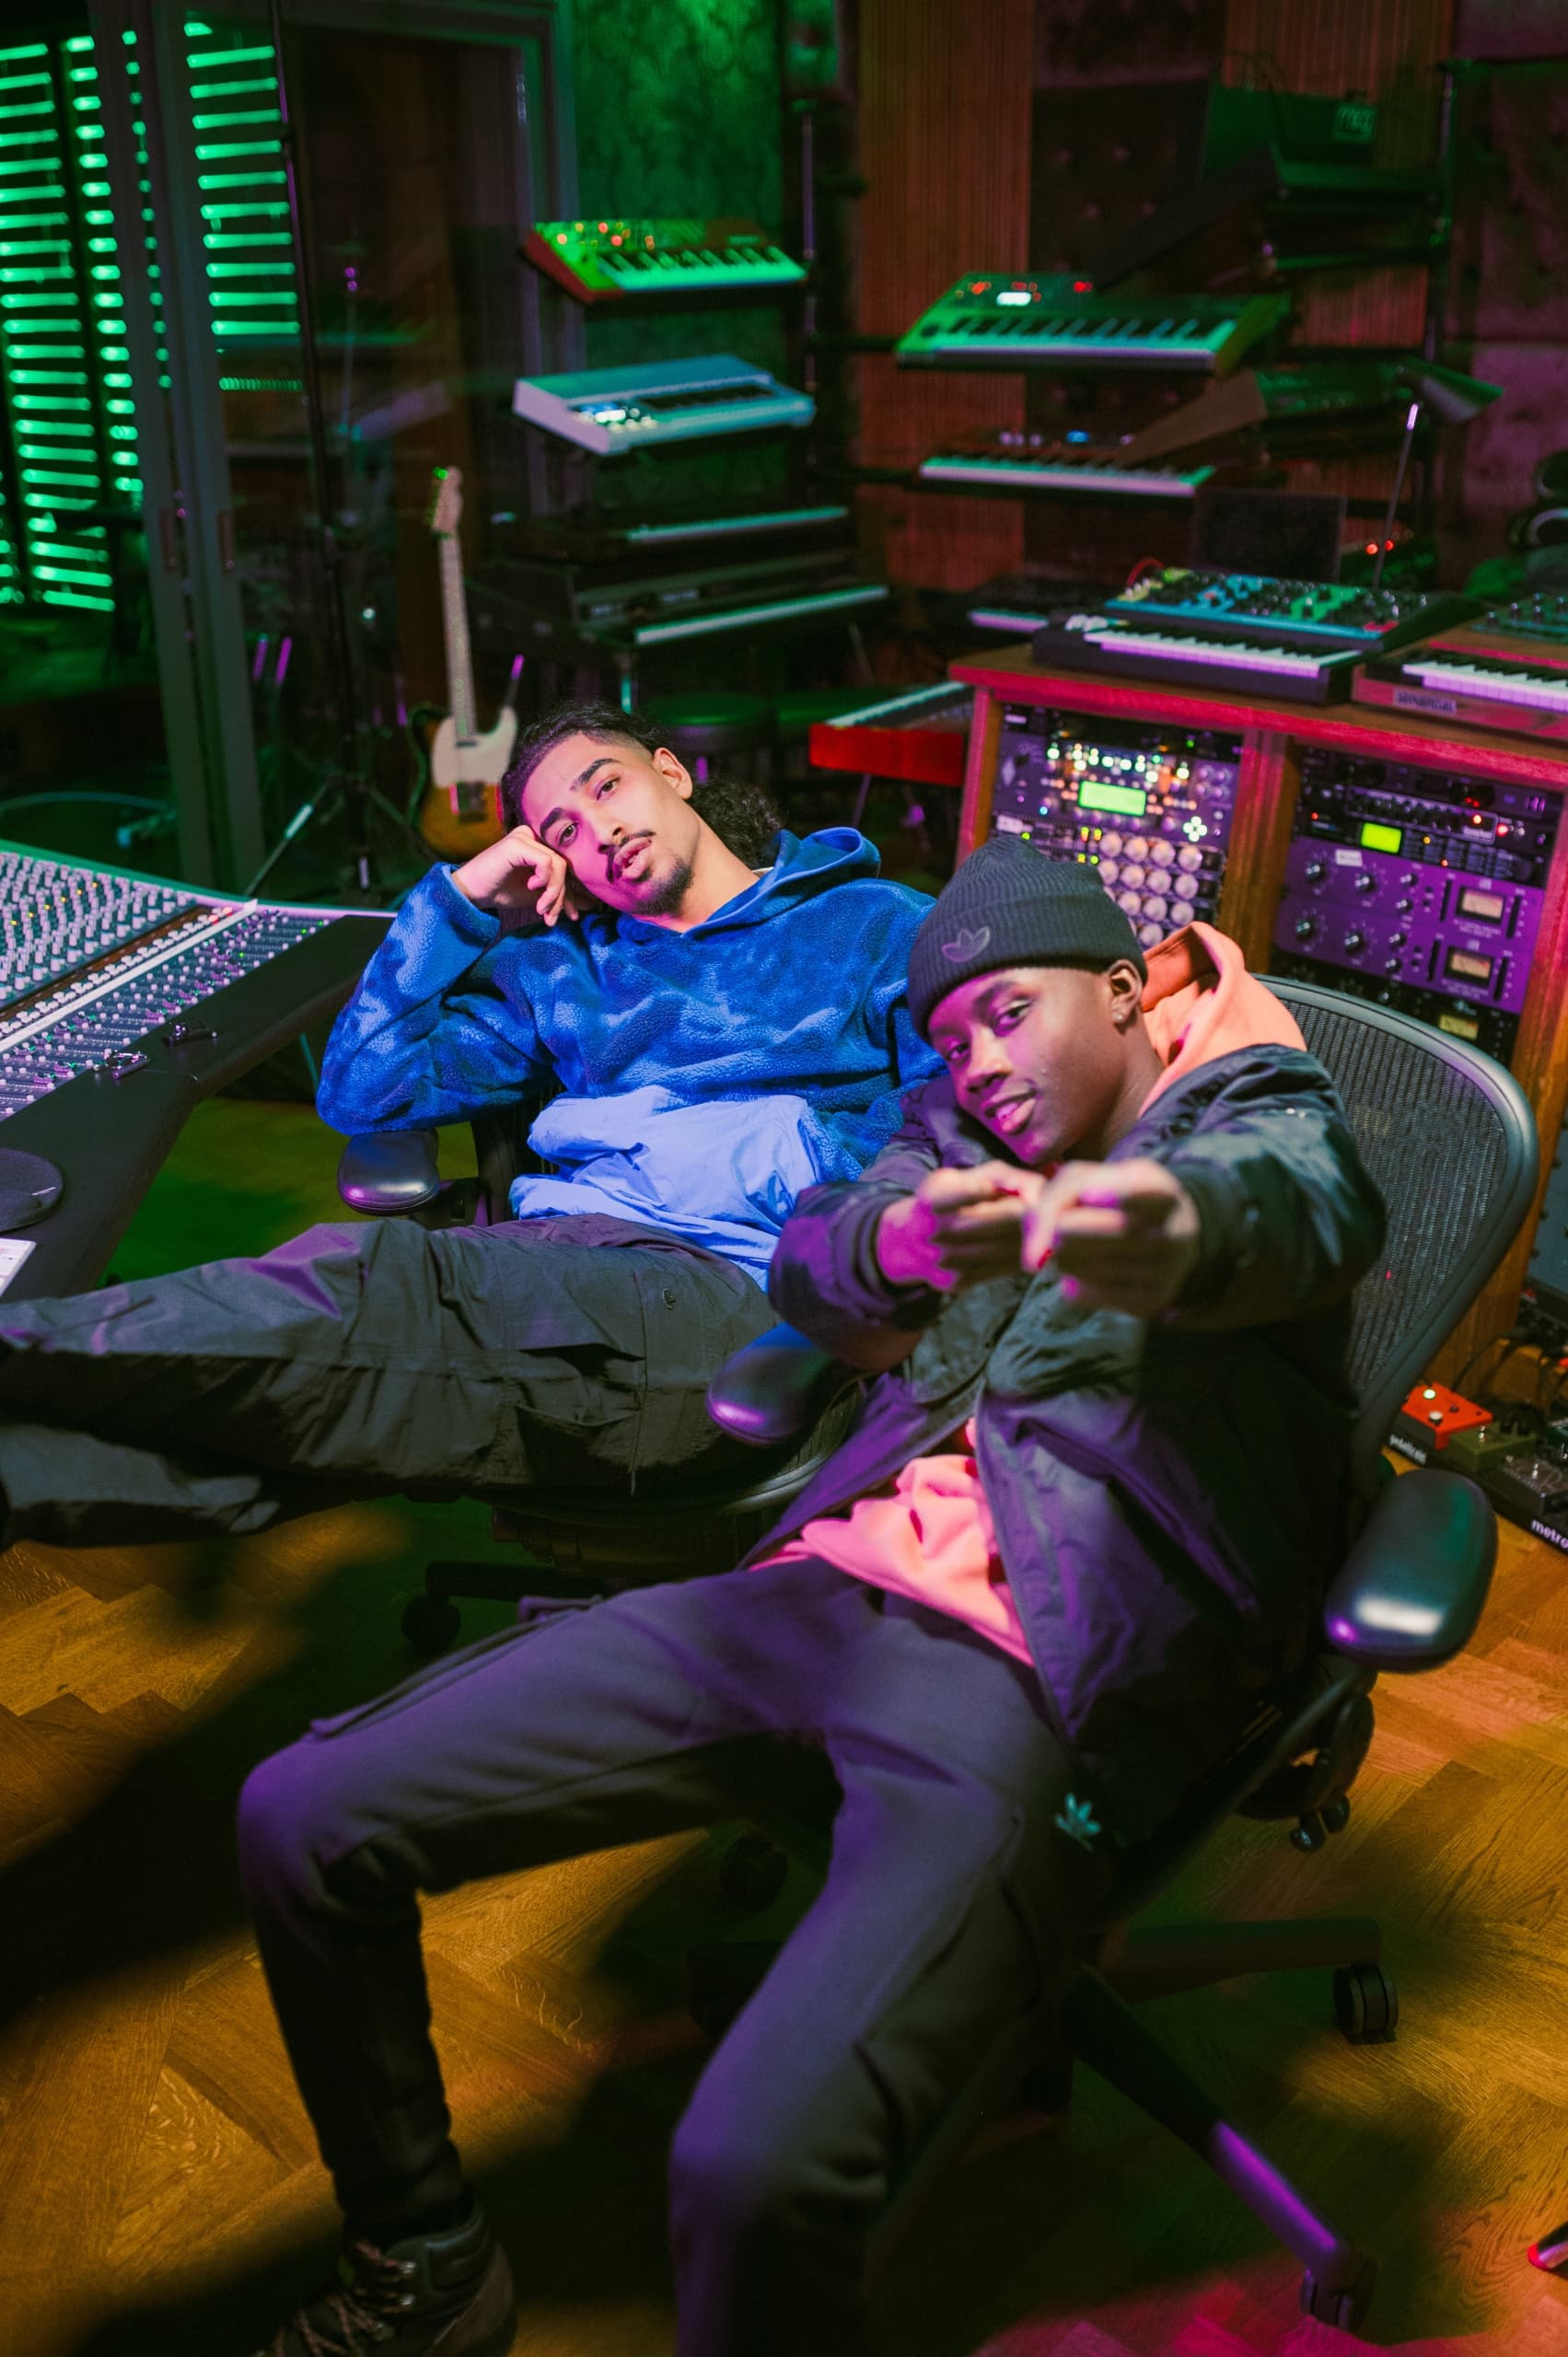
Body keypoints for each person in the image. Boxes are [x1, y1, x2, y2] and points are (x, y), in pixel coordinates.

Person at [234, 840, 1386, 2357]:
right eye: (950, 1037)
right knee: (303, 1812)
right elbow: (818, 1253)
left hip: (1034, 1671)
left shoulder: (1260, 1110)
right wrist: (894, 1244)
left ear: (1124, 990)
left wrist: (1112, 1226)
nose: (979, 1064)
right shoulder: (955, 1121)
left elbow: (1289, 1212)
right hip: (821, 1587)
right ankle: (423, 2266)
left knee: (749, 2169)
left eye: (1009, 1015)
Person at [0, 703, 940, 1547]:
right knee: (283, 1435)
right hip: (569, 1257)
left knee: (379, 1294)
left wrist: (756, 1150)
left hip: (746, 1293)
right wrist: (456, 906)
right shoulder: (559, 970)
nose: (599, 830)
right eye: (562, 830)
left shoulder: (874, 924)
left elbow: (959, 1127)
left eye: (606, 787)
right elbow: (363, 1090)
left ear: (671, 771)